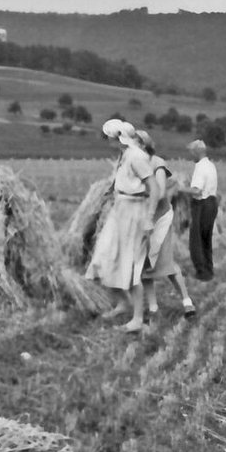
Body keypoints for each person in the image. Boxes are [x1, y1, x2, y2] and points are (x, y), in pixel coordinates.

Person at [85, 119, 158, 333]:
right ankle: (122, 303)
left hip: (135, 213)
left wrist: (149, 218)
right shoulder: (125, 156)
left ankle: (137, 319)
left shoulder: (136, 157)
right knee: (103, 258)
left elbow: (154, 188)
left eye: (109, 137)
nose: (106, 141)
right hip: (120, 209)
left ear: (119, 138)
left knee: (131, 264)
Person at [135, 130, 197, 321]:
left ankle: (187, 302)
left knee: (166, 263)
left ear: (144, 144)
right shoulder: (131, 163)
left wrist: (134, 193)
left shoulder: (157, 163)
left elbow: (160, 192)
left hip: (159, 218)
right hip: (139, 219)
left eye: (136, 143)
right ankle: (153, 309)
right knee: (142, 265)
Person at [184, 139, 219, 284]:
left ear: (196, 151)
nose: (190, 155)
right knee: (206, 238)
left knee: (196, 240)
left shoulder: (200, 167)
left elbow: (196, 191)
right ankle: (209, 270)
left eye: (191, 152)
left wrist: (177, 189)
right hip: (212, 203)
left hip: (201, 205)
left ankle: (201, 272)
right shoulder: (210, 165)